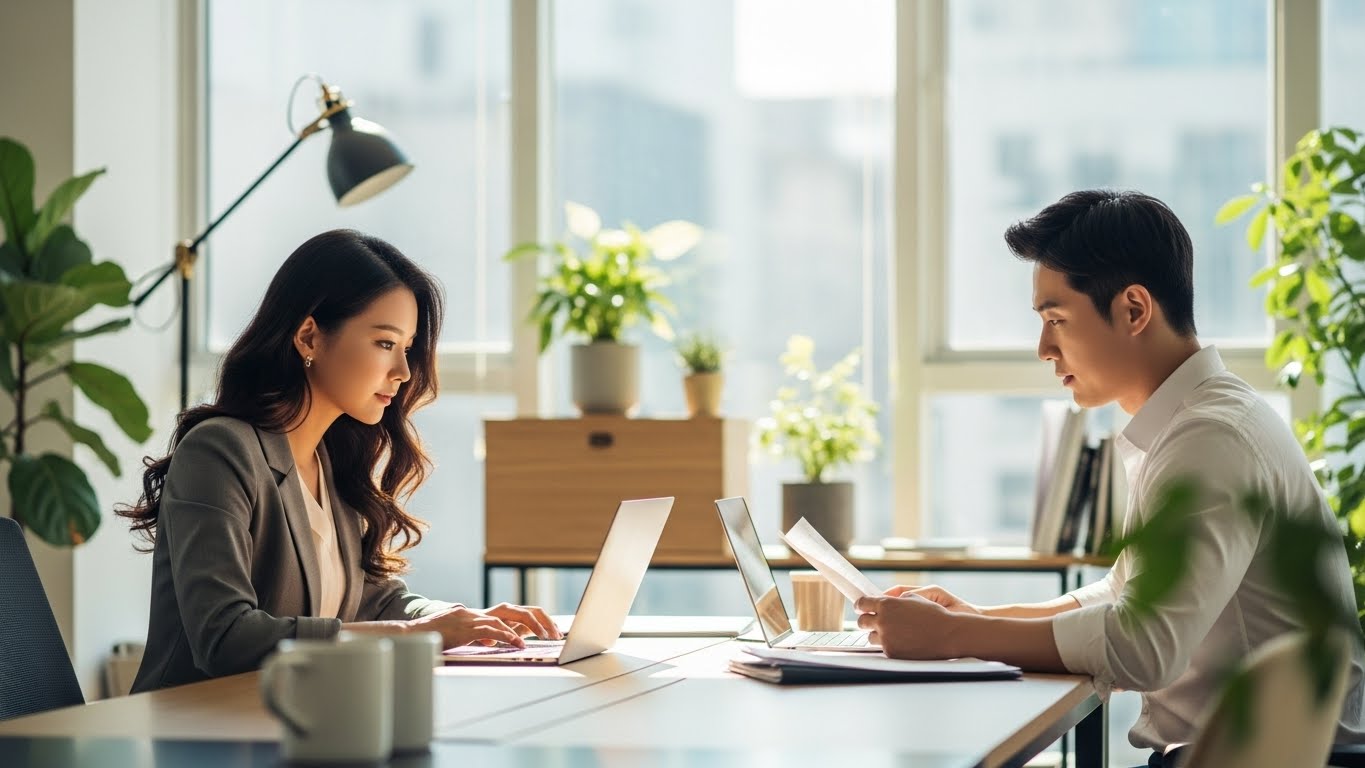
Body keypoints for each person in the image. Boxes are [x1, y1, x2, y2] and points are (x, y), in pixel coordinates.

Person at [853, 190, 1365, 766]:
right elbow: (1126, 595)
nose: (1044, 348)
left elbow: (1144, 647)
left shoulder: (1211, 437)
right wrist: (972, 618)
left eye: (1056, 320)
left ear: (1134, 310)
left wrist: (950, 638)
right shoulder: (1192, 421)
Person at [120, 229, 560, 693]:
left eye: (407, 349)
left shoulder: (331, 460)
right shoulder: (220, 451)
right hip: (192, 735)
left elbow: (372, 601)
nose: (404, 373)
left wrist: (458, 620)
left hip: (294, 726)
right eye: (385, 344)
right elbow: (225, 637)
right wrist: (415, 635)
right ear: (309, 336)